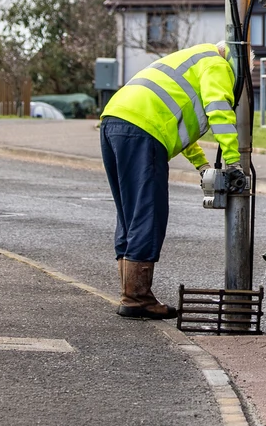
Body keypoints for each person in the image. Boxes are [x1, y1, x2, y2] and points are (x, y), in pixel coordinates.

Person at [98, 40, 239, 318]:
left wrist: (202, 165)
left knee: (130, 213)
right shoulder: (218, 63)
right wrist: (233, 162)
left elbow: (177, 118)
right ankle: (136, 298)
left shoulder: (191, 59)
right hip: (143, 129)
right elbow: (218, 108)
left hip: (114, 120)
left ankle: (131, 292)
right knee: (148, 212)